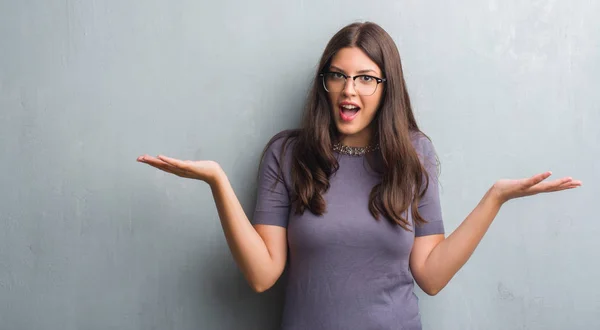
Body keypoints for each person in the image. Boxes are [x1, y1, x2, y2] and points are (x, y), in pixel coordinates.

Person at [137, 21, 581, 330]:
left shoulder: (414, 154)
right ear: (324, 83)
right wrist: (217, 182)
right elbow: (261, 275)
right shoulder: (287, 154)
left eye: (366, 78)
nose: (350, 89)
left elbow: (430, 275)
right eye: (339, 76)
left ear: (386, 88)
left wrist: (494, 199)